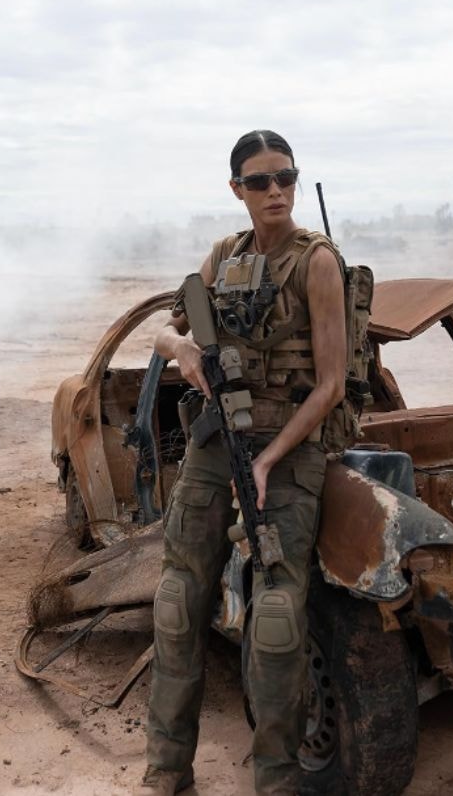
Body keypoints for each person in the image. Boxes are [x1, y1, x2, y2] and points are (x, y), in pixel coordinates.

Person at [141, 130, 350, 795]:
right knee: (177, 598)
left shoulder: (317, 262)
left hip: (287, 450)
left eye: (285, 177)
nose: (277, 192)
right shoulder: (222, 257)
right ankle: (166, 770)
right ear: (237, 190)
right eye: (260, 182)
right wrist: (184, 353)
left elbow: (331, 385)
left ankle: (276, 781)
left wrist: (269, 462)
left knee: (279, 622)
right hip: (215, 441)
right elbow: (162, 329)